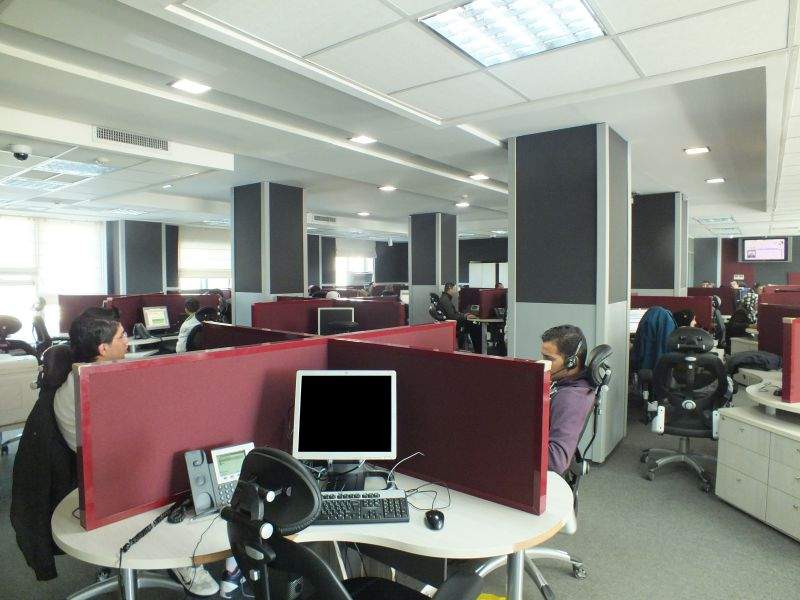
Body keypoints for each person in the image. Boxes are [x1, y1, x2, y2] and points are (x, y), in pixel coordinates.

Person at [56, 311, 221, 596]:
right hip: (109, 475)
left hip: (110, 461)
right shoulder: (92, 389)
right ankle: (184, 559)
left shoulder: (87, 375)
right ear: (103, 349)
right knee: (185, 467)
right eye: (122, 337)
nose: (128, 340)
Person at [540, 325, 595, 475]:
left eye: (548, 359)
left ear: (572, 362)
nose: (542, 363)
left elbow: (556, 461)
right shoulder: (565, 382)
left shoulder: (571, 398)